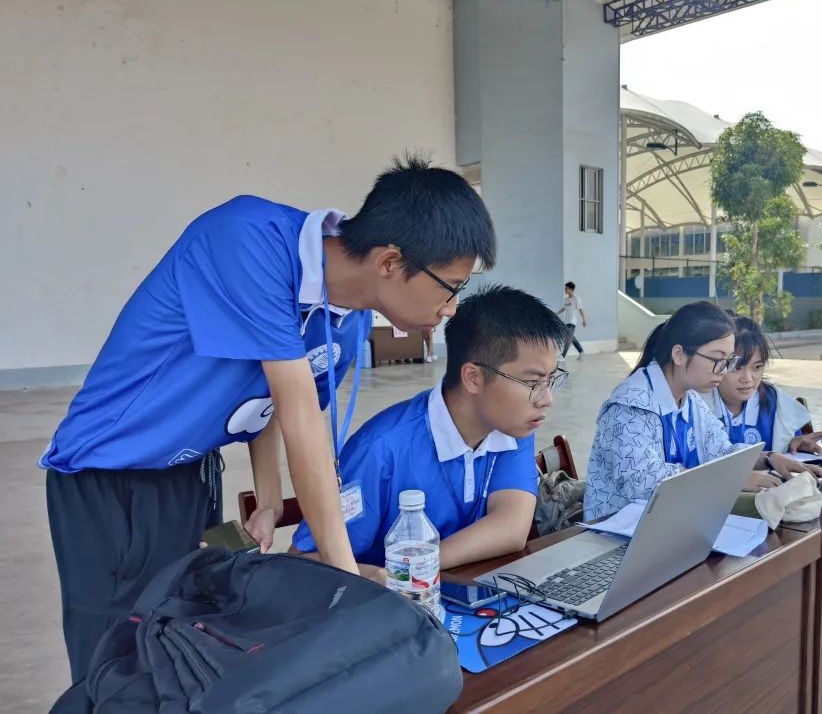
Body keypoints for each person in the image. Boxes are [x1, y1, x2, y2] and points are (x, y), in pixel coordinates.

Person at [39, 154, 496, 687]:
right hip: (111, 474)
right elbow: (301, 417)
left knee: (178, 640)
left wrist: (270, 497)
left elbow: (277, 402)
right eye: (451, 286)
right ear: (391, 262)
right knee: (111, 659)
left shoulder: (345, 321)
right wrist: (348, 582)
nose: (451, 307)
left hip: (191, 472)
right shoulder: (248, 239)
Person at [292, 286, 567, 571]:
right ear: (473, 377)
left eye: (550, 380)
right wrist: (391, 580)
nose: (547, 399)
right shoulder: (380, 450)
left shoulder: (511, 428)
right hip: (384, 598)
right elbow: (303, 563)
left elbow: (511, 526)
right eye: (532, 383)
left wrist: (411, 571)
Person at [584, 302, 822, 520]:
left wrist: (769, 458)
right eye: (717, 360)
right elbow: (644, 484)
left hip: (669, 523)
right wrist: (732, 479)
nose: (723, 370)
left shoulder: (690, 400)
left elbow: (721, 451)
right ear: (679, 355)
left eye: (728, 361)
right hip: (615, 533)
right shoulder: (631, 404)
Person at [705, 316, 822, 454]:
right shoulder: (697, 405)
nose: (748, 379)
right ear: (718, 364)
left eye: (757, 367)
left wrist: (793, 446)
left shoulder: (776, 403)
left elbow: (790, 447)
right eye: (737, 368)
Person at [556, 281, 586, 361]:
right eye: (565, 288)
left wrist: (584, 320)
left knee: (568, 339)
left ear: (571, 289)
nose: (565, 290)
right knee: (572, 338)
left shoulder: (576, 298)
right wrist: (556, 313)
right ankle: (581, 352)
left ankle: (563, 356)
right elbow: (563, 309)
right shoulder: (566, 299)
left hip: (572, 322)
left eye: (566, 288)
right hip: (567, 322)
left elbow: (580, 309)